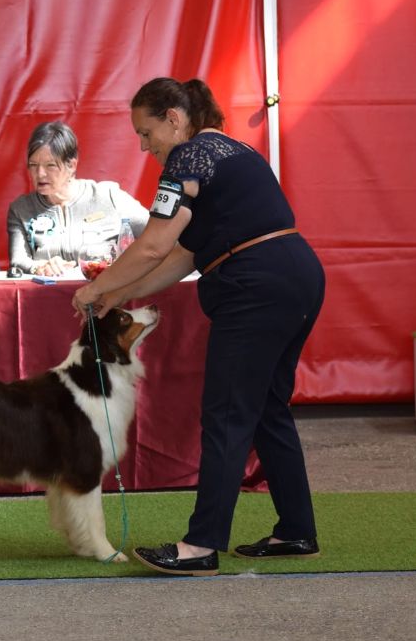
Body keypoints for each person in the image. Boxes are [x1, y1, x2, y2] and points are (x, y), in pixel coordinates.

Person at [72, 78, 325, 576]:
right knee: (268, 408)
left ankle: (201, 546)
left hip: (254, 285)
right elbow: (187, 254)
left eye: (147, 133)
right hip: (297, 275)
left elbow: (152, 246)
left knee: (227, 414)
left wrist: (94, 291)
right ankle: (297, 530)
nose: (146, 147)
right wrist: (121, 295)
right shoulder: (232, 150)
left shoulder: (188, 158)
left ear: (174, 117)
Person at [7, 121, 149, 277]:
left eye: (50, 165)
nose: (40, 173)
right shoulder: (21, 209)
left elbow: (156, 234)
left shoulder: (108, 196)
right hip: (45, 296)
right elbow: (18, 260)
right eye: (33, 165)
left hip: (104, 295)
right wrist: (39, 267)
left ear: (72, 165)